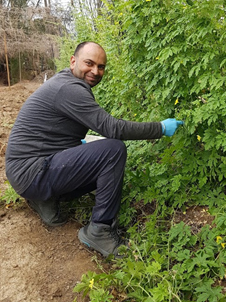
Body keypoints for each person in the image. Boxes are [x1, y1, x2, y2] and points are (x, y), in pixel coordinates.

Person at [5, 41, 183, 257]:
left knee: (99, 154)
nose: (95, 71)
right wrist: (161, 128)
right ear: (73, 61)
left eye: (101, 67)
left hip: (25, 172)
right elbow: (112, 128)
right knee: (113, 151)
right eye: (89, 63)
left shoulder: (66, 83)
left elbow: (56, 135)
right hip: (32, 172)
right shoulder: (69, 89)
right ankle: (99, 229)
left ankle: (43, 199)